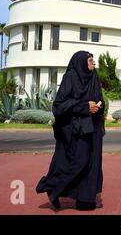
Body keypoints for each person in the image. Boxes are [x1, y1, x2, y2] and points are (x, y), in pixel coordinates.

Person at [36, 50, 105, 211]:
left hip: (91, 128)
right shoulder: (71, 78)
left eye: (93, 61)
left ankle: (85, 199)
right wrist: (84, 107)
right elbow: (59, 105)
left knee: (91, 164)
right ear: (81, 62)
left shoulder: (93, 77)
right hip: (74, 129)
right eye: (90, 61)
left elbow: (99, 97)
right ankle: (52, 188)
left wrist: (98, 106)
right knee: (79, 162)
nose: (93, 64)